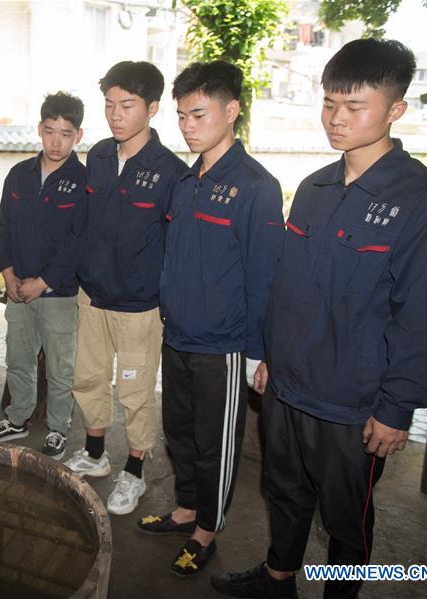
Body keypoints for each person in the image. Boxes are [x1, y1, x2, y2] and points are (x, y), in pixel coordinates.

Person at [212, 39, 427, 598]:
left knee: (347, 524)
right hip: (289, 388)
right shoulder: (315, 188)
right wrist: (271, 357)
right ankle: (278, 579)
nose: (337, 119)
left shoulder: (425, 203)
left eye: (355, 107)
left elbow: (420, 318)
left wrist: (396, 409)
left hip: (353, 405)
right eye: (329, 104)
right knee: (283, 492)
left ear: (395, 110)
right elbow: (289, 286)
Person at [135, 61, 284, 576]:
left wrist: (258, 353)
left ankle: (206, 532)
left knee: (215, 443)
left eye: (198, 114)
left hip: (222, 345)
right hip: (176, 335)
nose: (188, 126)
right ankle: (185, 508)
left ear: (231, 110)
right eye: (181, 116)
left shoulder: (256, 186)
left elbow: (264, 275)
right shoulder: (185, 179)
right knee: (179, 431)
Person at [62, 61, 189, 515]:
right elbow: (85, 224)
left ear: (153, 108)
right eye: (109, 105)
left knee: (134, 391)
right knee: (88, 378)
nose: (116, 115)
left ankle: (133, 470)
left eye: (128, 105)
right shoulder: (96, 155)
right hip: (92, 296)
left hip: (138, 306)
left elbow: (176, 247)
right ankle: (96, 454)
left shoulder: (172, 172)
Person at [0, 92, 87, 459]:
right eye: (50, 131)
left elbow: (78, 241)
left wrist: (42, 282)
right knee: (18, 358)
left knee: (60, 367)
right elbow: (4, 226)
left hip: (57, 293)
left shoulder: (83, 182)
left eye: (66, 133)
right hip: (17, 288)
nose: (56, 141)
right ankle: (17, 418)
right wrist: (9, 276)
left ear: (78, 136)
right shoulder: (18, 174)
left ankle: (58, 429)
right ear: (39, 129)